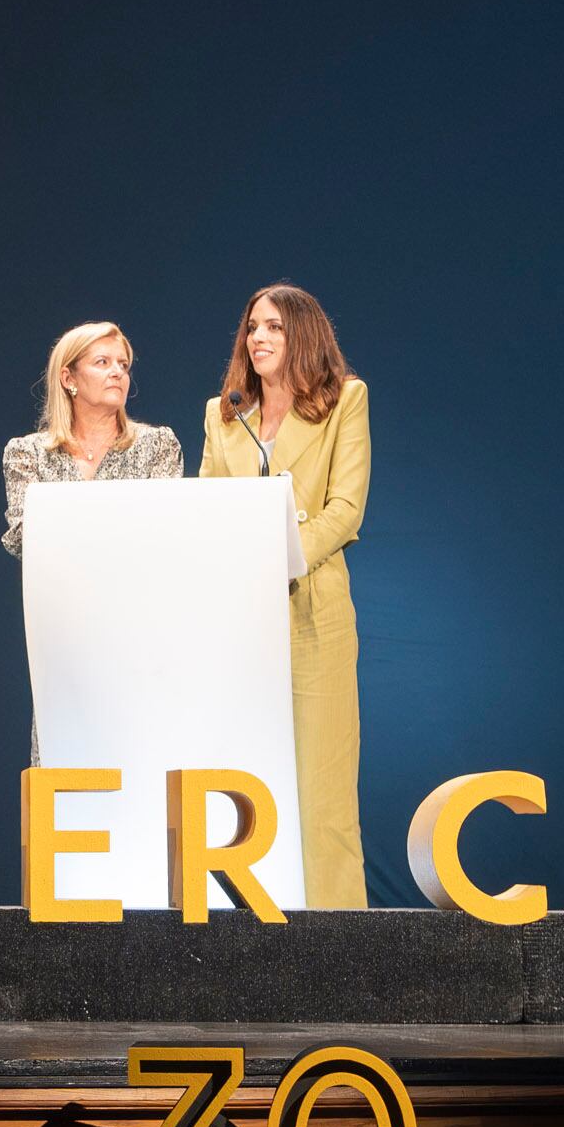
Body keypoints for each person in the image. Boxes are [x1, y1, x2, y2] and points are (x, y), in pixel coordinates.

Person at [197, 284, 372, 909]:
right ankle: (255, 947)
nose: (258, 338)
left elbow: (345, 511)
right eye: (251, 327)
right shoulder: (225, 415)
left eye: (272, 326)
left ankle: (341, 950)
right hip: (240, 621)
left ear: (303, 334)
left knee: (322, 797)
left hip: (313, 612)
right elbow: (208, 510)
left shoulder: (345, 400)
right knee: (242, 792)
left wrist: (280, 553)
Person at [1, 320, 183, 558]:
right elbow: (22, 538)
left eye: (123, 365)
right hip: (60, 589)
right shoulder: (27, 454)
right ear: (68, 379)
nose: (117, 372)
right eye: (102, 362)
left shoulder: (158, 445)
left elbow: (164, 527)